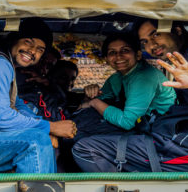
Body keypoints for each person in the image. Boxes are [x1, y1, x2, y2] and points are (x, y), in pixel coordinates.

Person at [73, 19, 188, 172]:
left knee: (83, 147)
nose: (151, 45)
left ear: (178, 30)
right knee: (81, 131)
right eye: (145, 41)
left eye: (155, 34)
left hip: (184, 146)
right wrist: (91, 97)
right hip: (166, 131)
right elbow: (103, 98)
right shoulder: (118, 78)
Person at [0, 17, 76, 173]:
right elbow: (1, 118)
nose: (33, 51)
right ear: (14, 39)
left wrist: (46, 128)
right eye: (28, 42)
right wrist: (51, 127)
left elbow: (17, 103)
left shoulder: (3, 60)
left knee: (38, 136)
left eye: (40, 49)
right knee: (36, 141)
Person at [72, 33, 176, 171]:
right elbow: (100, 99)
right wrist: (90, 94)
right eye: (112, 52)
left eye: (125, 51)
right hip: (138, 127)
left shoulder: (144, 77)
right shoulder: (116, 78)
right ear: (107, 58)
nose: (118, 56)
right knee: (75, 131)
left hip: (158, 134)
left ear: (138, 55)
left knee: (81, 141)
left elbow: (127, 122)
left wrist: (94, 103)